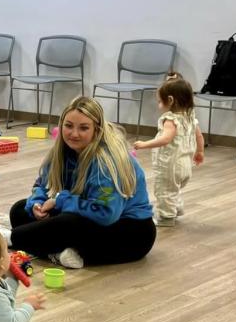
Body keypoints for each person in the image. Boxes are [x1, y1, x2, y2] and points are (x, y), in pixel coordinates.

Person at [9, 96, 155, 268]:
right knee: (19, 210)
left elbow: (106, 214)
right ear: (61, 124)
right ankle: (59, 253)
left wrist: (60, 201)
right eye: (68, 126)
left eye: (84, 128)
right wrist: (37, 203)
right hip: (85, 219)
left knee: (68, 223)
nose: (74, 134)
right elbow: (42, 185)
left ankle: (10, 240)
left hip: (129, 231)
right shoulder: (63, 152)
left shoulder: (107, 161)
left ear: (97, 129)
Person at [135, 73, 205, 227]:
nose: (159, 105)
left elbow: (165, 139)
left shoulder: (171, 119)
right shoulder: (190, 117)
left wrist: (144, 144)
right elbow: (199, 136)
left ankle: (166, 217)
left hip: (170, 165)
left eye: (160, 101)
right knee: (174, 188)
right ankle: (176, 209)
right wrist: (200, 153)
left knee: (164, 190)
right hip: (185, 164)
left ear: (171, 100)